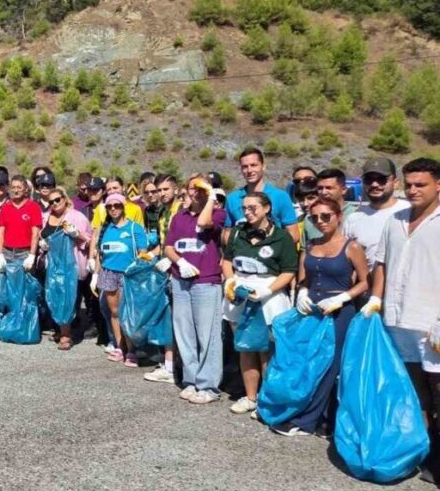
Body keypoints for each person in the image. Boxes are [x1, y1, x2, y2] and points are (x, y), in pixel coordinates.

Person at [370, 157, 440, 482]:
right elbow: (381, 263)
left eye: (420, 184)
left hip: (433, 324)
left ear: (438, 185)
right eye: (409, 184)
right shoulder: (394, 219)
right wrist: (375, 300)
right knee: (414, 393)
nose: (413, 190)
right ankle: (421, 453)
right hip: (399, 321)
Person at [279, 197, 370, 436]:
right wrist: (303, 292)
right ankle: (320, 418)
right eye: (315, 217)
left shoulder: (352, 247)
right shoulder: (310, 246)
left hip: (339, 311)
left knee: (330, 365)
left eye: (326, 216)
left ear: (339, 216)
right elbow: (304, 278)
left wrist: (343, 298)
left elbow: (364, 282)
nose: (320, 221)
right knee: (310, 362)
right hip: (313, 310)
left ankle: (308, 421)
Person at [221, 191, 299, 418]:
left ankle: (268, 400)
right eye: (244, 208)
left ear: (267, 208)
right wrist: (231, 280)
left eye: (253, 207)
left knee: (266, 350)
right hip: (240, 295)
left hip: (269, 297)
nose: (248, 212)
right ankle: (250, 397)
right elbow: (227, 260)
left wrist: (268, 289)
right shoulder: (237, 233)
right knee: (246, 348)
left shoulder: (282, 237)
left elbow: (289, 271)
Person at [157, 175, 224, 403]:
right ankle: (191, 380)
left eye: (200, 187)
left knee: (207, 334)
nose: (196, 191)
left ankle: (209, 385)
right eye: (192, 187)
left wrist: (210, 196)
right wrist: (180, 262)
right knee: (184, 332)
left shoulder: (218, 213)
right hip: (181, 280)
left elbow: (204, 224)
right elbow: (168, 247)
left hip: (206, 281)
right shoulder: (179, 218)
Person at [90, 193, 150, 367]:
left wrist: (139, 274)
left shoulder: (134, 228)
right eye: (109, 206)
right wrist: (95, 274)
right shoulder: (105, 228)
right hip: (109, 273)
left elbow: (142, 254)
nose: (113, 209)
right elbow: (101, 254)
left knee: (127, 313)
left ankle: (132, 350)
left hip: (128, 274)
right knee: (114, 312)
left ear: (124, 207)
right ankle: (120, 346)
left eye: (117, 205)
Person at [36, 186, 91, 350]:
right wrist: (42, 246)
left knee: (67, 298)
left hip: (69, 264)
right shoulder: (45, 216)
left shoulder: (76, 217)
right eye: (51, 201)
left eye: (57, 199)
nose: (54, 203)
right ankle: (60, 328)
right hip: (51, 265)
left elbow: (90, 239)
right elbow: (41, 235)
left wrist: (77, 235)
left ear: (65, 199)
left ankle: (66, 334)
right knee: (53, 297)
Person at [344, 157, 409, 270]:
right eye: (369, 179)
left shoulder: (410, 212)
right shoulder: (353, 218)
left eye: (381, 179)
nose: (374, 184)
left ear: (396, 182)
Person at [224, 147, 300, 243]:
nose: (249, 170)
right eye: (245, 166)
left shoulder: (280, 196)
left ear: (263, 166)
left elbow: (294, 234)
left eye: (253, 165)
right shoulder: (232, 199)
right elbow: (227, 233)